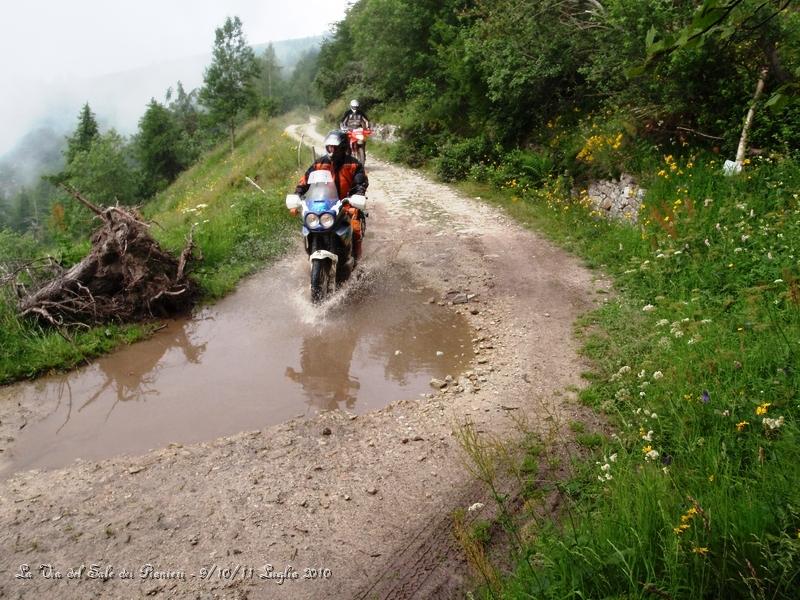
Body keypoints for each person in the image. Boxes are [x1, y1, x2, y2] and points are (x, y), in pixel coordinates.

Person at [293, 130, 368, 262]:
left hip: (347, 203)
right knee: (309, 225)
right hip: (325, 204)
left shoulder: (354, 164)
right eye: (329, 147)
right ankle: (312, 252)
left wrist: (356, 198)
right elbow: (304, 181)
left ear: (343, 148)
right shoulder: (319, 164)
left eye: (334, 148)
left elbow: (360, 184)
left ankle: (356, 261)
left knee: (355, 228)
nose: (331, 151)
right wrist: (297, 195)